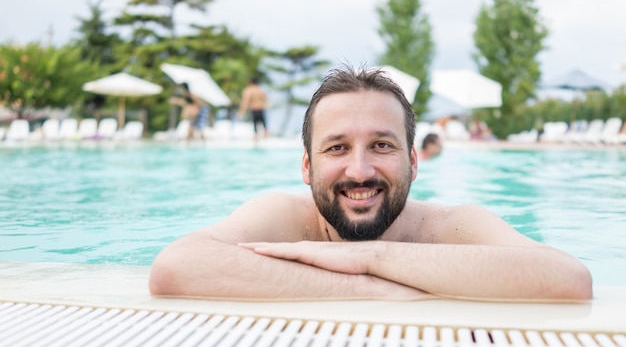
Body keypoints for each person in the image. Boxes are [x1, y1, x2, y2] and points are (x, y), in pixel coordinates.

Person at [150, 65, 592, 302]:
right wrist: (364, 287)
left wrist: (367, 255)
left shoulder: (453, 228)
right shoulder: (284, 217)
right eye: (337, 148)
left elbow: (568, 278)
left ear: (414, 162)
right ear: (307, 167)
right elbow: (175, 267)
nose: (359, 171)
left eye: (381, 146)